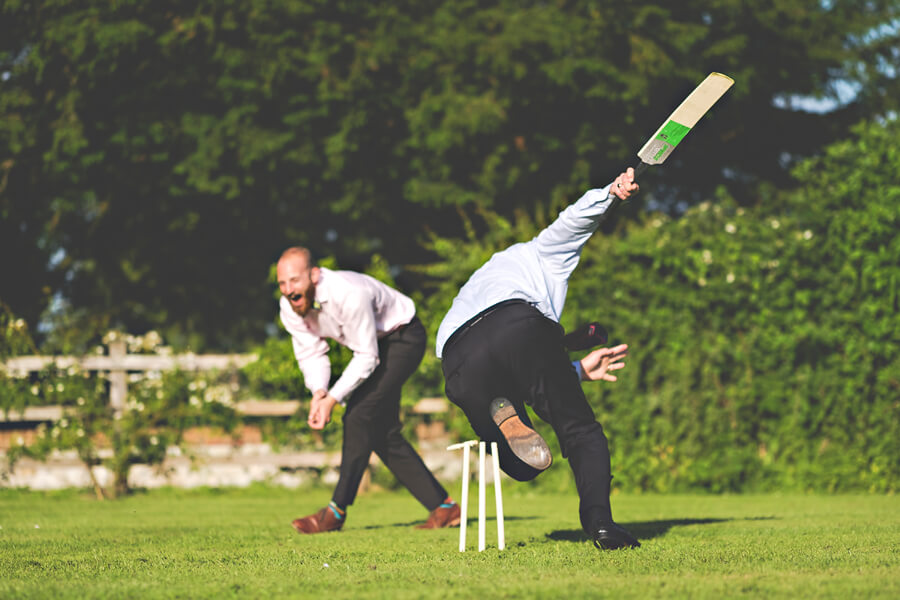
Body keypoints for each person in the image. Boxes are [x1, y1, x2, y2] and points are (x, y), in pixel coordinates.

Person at [436, 168, 641, 550]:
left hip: (456, 355)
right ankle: (601, 525)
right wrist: (610, 193)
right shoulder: (539, 253)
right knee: (581, 430)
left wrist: (578, 369)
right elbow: (573, 222)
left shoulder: (477, 282)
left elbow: (514, 357)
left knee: (520, 465)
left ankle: (503, 408)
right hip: (519, 324)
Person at [277, 246, 459, 533]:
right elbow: (311, 353)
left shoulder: (348, 292)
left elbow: (366, 356)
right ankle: (444, 508)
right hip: (375, 346)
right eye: (283, 283)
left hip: (403, 337)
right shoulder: (289, 307)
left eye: (295, 281)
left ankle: (335, 512)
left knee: (358, 416)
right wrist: (319, 392)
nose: (289, 290)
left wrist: (334, 400)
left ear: (314, 275)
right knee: (382, 434)